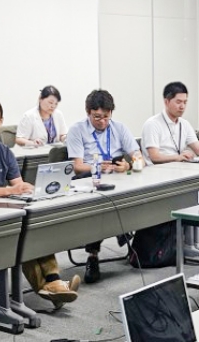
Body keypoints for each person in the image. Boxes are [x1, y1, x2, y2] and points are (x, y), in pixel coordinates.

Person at [0, 94, 79, 308]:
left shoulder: (4, 151)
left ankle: (53, 284)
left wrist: (30, 189)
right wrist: (9, 190)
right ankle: (54, 286)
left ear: (0, 121)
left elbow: (18, 185)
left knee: (31, 224)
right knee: (20, 232)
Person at [66, 89, 143, 284]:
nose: (102, 122)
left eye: (106, 117)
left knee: (137, 194)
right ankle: (93, 255)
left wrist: (129, 165)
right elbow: (77, 166)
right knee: (99, 206)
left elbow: (137, 156)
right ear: (88, 112)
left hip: (118, 178)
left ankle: (127, 233)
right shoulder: (77, 130)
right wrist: (97, 166)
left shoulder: (119, 128)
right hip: (89, 179)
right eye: (97, 117)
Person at [142, 81, 199, 164]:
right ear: (166, 102)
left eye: (185, 102)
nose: (182, 106)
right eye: (178, 102)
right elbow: (154, 157)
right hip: (157, 169)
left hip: (179, 167)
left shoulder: (184, 124)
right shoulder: (152, 124)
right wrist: (178, 157)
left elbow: (198, 149)